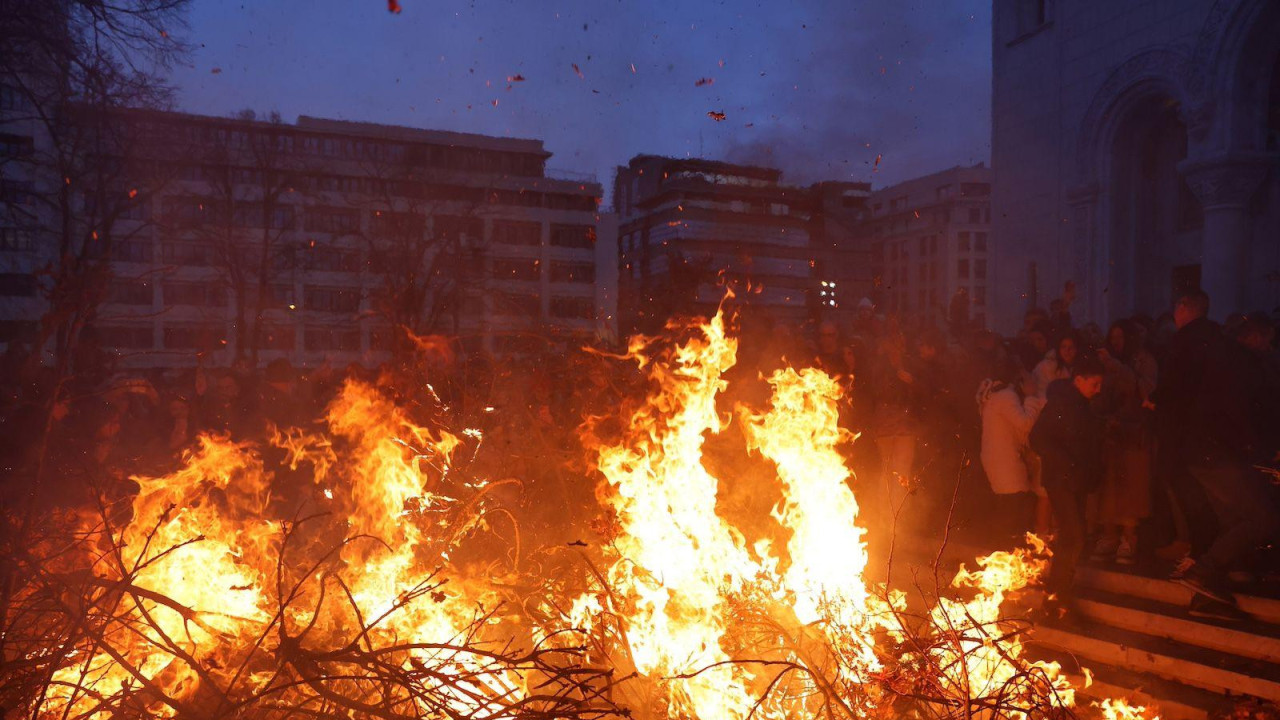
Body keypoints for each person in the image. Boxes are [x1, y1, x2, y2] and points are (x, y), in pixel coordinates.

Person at [1149, 290, 1280, 620]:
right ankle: (1204, 574)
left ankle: (1208, 592)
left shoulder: (1209, 352)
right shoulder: (1237, 362)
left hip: (1195, 452)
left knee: (1230, 520)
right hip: (1217, 453)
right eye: (1268, 339)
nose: (1270, 346)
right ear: (1256, 336)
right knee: (1261, 517)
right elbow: (1243, 412)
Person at [1030, 356, 1105, 604]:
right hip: (1061, 479)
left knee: (1073, 534)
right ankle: (1056, 594)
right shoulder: (1061, 403)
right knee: (1074, 534)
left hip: (1076, 481)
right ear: (1079, 380)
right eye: (1094, 384)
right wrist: (1066, 461)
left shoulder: (1087, 406)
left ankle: (1059, 592)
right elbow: (1038, 438)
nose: (1098, 390)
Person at [1092, 321, 1152, 565]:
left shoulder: (1144, 360)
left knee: (1131, 490)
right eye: (1112, 337)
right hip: (1110, 434)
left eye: (1121, 337)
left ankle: (1129, 538)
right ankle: (1108, 535)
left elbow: (1146, 389)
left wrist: (1118, 368)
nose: (1116, 342)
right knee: (1108, 488)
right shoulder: (1103, 365)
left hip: (1134, 435)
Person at [979, 364, 1047, 543]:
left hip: (1000, 459)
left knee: (1009, 509)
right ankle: (1007, 552)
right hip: (1005, 461)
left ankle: (1005, 552)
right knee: (1012, 510)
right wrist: (1032, 397)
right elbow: (1024, 423)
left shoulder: (994, 394)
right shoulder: (1006, 396)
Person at [1033, 331, 1079, 398]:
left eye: (1071, 347)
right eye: (1063, 347)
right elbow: (1040, 391)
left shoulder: (1082, 369)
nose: (1067, 350)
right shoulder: (1046, 367)